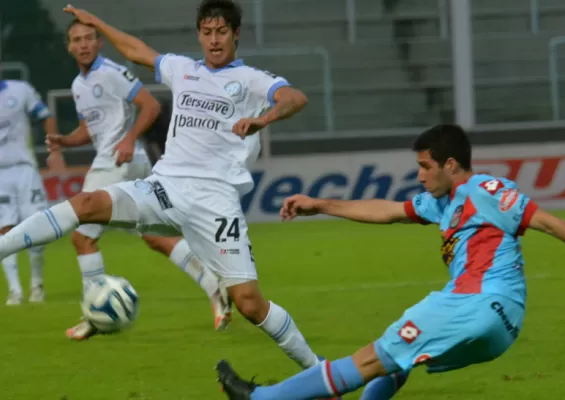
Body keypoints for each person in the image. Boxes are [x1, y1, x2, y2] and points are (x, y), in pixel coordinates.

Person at [0, 0, 325, 372]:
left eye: (221, 32)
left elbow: (294, 98)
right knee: (86, 204)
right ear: (199, 34)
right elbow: (136, 50)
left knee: (250, 303)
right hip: (164, 188)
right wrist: (98, 23)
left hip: (214, 202)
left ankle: (318, 371)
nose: (214, 40)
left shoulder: (252, 79)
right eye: (207, 32)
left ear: (235, 34)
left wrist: (263, 118)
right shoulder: (182, 69)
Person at [215, 124, 565, 400]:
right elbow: (387, 211)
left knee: (369, 360)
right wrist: (321, 204)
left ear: (451, 165)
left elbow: (547, 222)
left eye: (425, 167)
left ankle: (261, 398)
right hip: (504, 325)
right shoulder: (442, 202)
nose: (418, 176)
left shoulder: (484, 190)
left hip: (475, 303)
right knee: (399, 362)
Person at [47, 18, 230, 339]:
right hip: (127, 161)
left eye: (89, 38)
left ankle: (93, 313)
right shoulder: (79, 85)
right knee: (154, 236)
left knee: (82, 237)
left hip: (118, 161)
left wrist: (130, 138)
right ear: (69, 46)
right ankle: (215, 288)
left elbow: (150, 105)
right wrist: (65, 140)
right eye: (77, 40)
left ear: (99, 42)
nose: (84, 44)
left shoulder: (111, 72)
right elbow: (90, 130)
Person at [0, 78, 65, 305]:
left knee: (36, 228)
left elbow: (46, 116)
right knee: (4, 230)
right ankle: (15, 290)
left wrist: (54, 150)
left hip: (25, 170)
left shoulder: (21, 90)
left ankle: (36, 285)